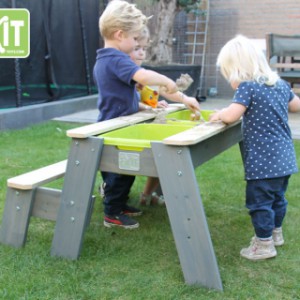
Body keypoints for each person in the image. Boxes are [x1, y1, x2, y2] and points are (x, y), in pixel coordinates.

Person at [93, 0, 200, 229]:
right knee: (118, 174)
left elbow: (139, 91)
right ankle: (111, 213)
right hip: (114, 127)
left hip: (121, 123)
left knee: (126, 169)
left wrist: (146, 105)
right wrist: (167, 80)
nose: (135, 47)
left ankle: (119, 205)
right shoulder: (116, 59)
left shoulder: (109, 59)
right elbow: (145, 78)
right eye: (134, 40)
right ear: (120, 34)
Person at [209, 35, 300, 260]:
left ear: (238, 70)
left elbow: (231, 116)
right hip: (285, 158)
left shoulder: (247, 87)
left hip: (263, 162)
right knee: (278, 198)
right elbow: (296, 106)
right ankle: (275, 233)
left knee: (259, 203)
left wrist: (219, 114)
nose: (230, 81)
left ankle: (264, 245)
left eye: (229, 75)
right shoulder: (280, 84)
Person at [130, 26, 201, 206]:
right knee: (121, 170)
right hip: (121, 125)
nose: (141, 54)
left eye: (144, 49)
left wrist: (182, 99)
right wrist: (143, 106)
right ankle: (112, 195)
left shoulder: (141, 74)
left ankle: (148, 195)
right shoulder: (128, 72)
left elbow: (157, 91)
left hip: (139, 122)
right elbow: (124, 102)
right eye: (136, 49)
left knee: (162, 154)